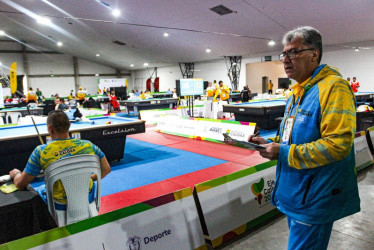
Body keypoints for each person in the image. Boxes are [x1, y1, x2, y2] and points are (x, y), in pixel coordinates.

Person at [249, 26, 360, 250]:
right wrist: (270, 145)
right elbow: (290, 139)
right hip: (296, 194)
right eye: (284, 54)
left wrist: (282, 152)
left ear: (314, 54)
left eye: (293, 52)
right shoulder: (296, 93)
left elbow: (338, 145)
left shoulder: (334, 88)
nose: (286, 60)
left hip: (315, 197)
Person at [9, 110, 111, 206]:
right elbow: (106, 170)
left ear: (50, 129)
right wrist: (89, 179)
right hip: (86, 197)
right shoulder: (88, 145)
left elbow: (20, 184)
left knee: (36, 191)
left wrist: (16, 174)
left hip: (59, 204)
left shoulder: (40, 152)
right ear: (69, 125)